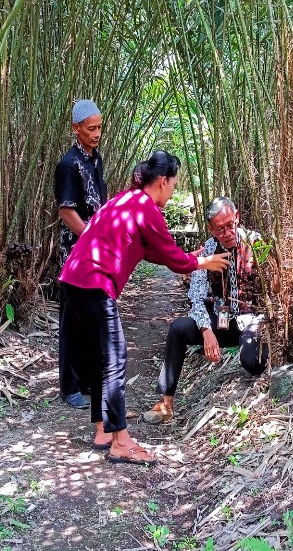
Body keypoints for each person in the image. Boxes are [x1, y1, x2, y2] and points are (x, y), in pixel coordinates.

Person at [59, 151, 230, 465]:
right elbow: (175, 260)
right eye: (174, 185)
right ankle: (121, 442)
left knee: (102, 355)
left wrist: (188, 258)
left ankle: (102, 431)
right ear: (163, 182)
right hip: (94, 283)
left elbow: (146, 250)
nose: (173, 191)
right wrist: (203, 261)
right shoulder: (146, 208)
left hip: (73, 278)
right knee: (115, 356)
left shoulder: (126, 200)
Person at [143, 197, 269, 425]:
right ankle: (166, 404)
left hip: (253, 322)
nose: (228, 233)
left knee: (252, 361)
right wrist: (205, 331)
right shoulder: (209, 249)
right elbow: (196, 297)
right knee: (179, 329)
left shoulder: (255, 245)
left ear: (237, 217)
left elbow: (273, 293)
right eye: (220, 229)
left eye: (230, 225)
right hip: (222, 321)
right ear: (211, 229)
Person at [54, 99, 108, 409]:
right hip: (75, 253)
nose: (97, 133)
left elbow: (100, 201)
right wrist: (90, 236)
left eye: (99, 127)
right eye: (91, 129)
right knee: (72, 321)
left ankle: (88, 379)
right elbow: (66, 211)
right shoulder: (68, 165)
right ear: (76, 129)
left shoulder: (96, 160)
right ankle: (69, 385)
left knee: (93, 316)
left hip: (96, 251)